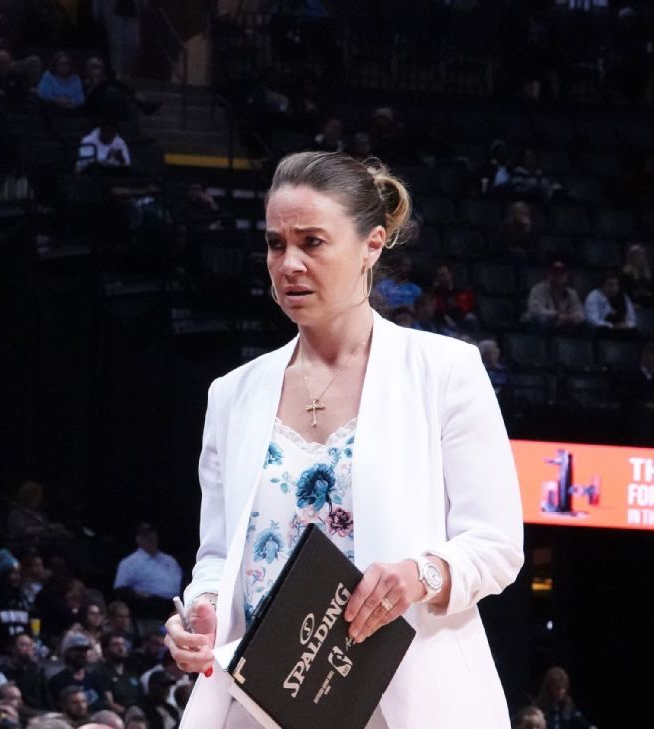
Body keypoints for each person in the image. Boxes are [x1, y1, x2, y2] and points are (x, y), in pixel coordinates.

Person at [165, 152, 523, 728]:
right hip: (262, 703)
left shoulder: (444, 370)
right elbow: (218, 556)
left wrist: (420, 574)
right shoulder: (232, 395)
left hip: (408, 698)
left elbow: (497, 546)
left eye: (312, 242)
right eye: (276, 244)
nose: (289, 264)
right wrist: (203, 608)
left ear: (372, 246)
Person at [112, 524, 181, 618]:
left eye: (152, 534)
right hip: (146, 611)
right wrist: (137, 594)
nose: (150, 538)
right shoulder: (130, 562)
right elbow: (120, 590)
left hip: (173, 608)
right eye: (146, 536)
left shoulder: (170, 560)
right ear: (138, 539)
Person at [526, 261, 586, 330]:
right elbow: (536, 310)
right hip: (541, 328)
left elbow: (581, 313)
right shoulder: (537, 289)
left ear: (566, 276)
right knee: (543, 319)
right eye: (555, 273)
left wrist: (571, 317)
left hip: (564, 325)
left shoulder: (572, 293)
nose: (558, 276)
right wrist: (557, 315)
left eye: (562, 273)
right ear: (549, 275)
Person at [621, 242, 653, 307]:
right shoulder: (625, 274)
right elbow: (624, 294)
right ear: (631, 258)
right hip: (632, 304)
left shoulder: (650, 272)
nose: (642, 257)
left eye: (643, 254)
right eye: (637, 255)